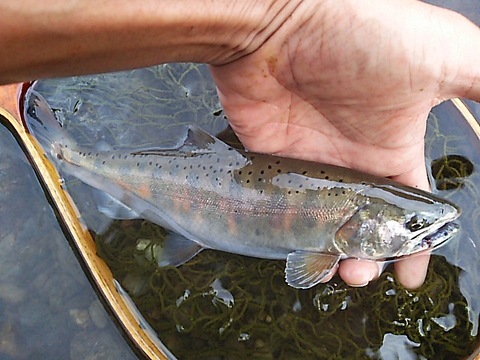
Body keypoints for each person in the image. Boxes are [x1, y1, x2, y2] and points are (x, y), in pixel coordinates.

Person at [1, 0, 479, 289]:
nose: (424, 230)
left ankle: (50, 135)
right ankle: (60, 149)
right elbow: (304, 274)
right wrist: (283, 19)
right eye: (413, 223)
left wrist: (279, 19)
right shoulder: (328, 245)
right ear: (358, 226)